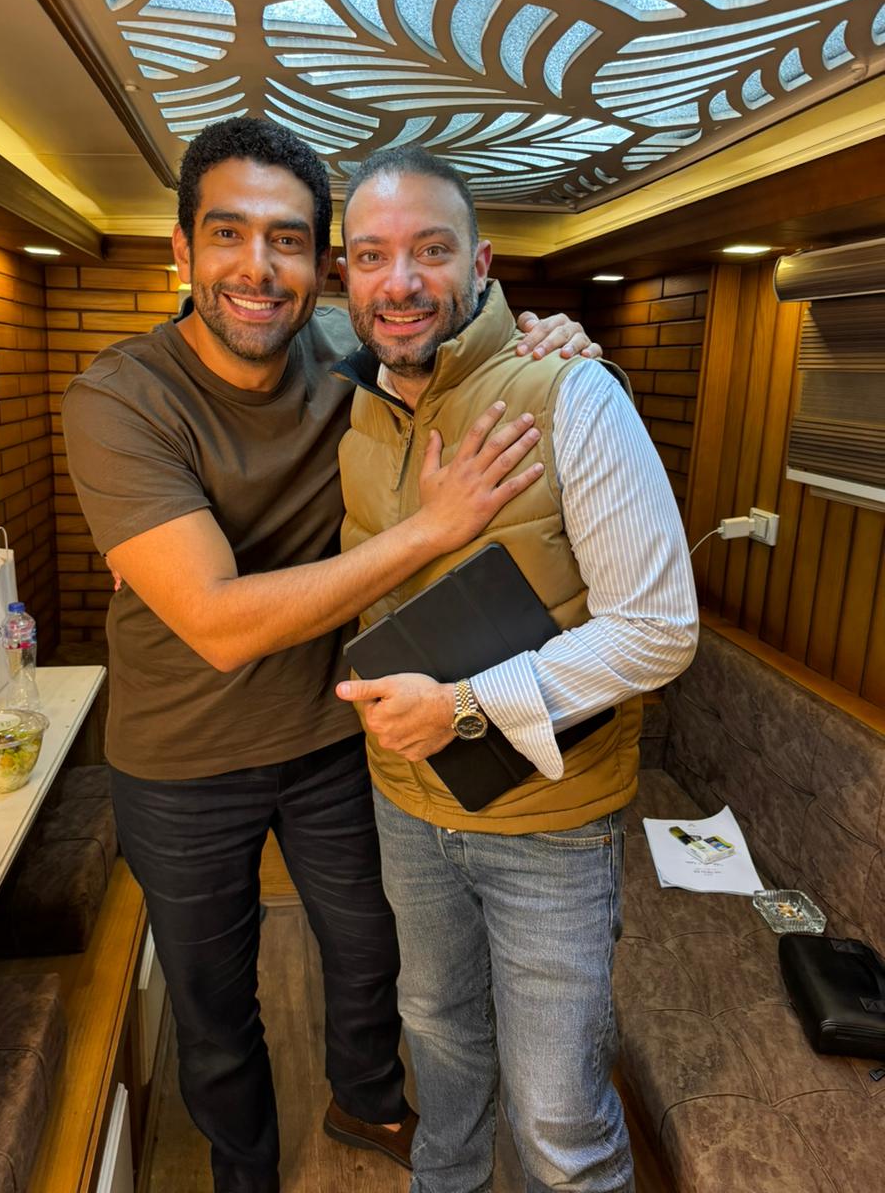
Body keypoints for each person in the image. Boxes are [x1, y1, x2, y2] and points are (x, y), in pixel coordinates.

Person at [61, 116, 602, 1193]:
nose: (258, 268)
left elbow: (451, 340)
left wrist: (548, 335)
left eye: (290, 241)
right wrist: (430, 529)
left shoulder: (349, 360)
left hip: (329, 734)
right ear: (182, 248)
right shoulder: (120, 397)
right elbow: (217, 623)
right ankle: (245, 1171)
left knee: (371, 954)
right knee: (215, 1004)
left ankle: (367, 1099)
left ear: (323, 267)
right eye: (228, 234)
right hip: (178, 759)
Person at [334, 146, 699, 1193]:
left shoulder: (573, 392)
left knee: (557, 1120)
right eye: (372, 256)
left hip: (551, 825)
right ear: (344, 277)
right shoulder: (354, 406)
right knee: (438, 1043)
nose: (401, 281)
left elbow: (659, 629)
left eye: (431, 250)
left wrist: (462, 707)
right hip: (406, 805)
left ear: (481, 264)